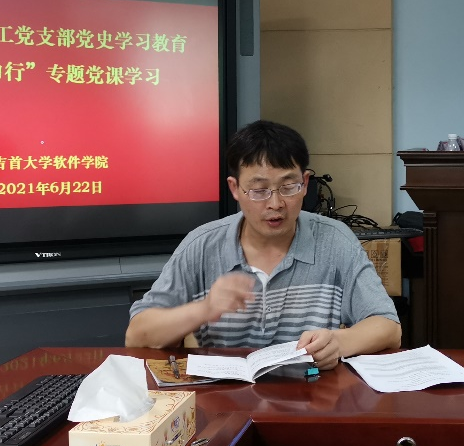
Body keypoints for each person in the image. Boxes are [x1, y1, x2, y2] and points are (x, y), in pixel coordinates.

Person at [125, 120, 401, 369]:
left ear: (305, 183)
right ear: (235, 188)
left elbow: (388, 326)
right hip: (223, 398)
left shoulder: (335, 240)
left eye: (288, 187)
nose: (275, 203)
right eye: (259, 190)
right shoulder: (202, 246)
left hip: (310, 395)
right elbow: (136, 336)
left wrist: (338, 343)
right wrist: (205, 309)